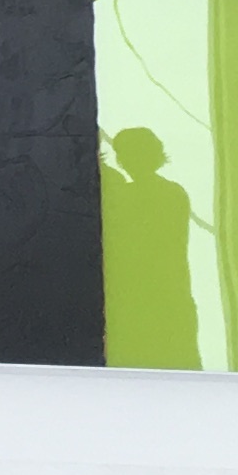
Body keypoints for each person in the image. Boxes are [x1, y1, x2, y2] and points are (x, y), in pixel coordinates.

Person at [99, 128, 204, 369]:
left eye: (126, 153)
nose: (123, 159)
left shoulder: (130, 195)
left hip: (143, 298)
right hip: (169, 294)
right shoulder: (173, 192)